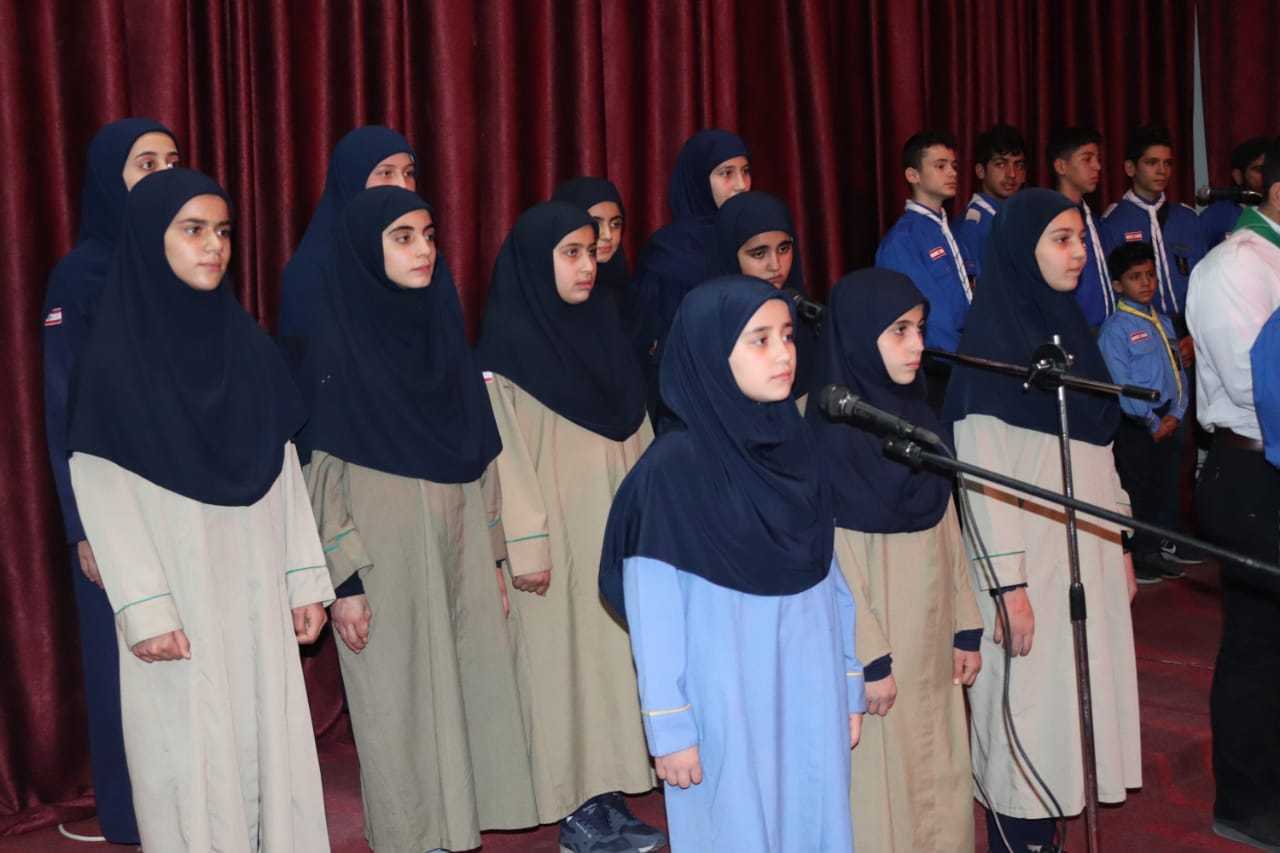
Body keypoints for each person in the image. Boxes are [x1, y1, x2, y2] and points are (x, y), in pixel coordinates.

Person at [65, 168, 333, 851]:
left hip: (257, 582)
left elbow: (283, 471)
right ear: (149, 239)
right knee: (189, 752)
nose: (214, 245)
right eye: (193, 230)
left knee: (268, 747)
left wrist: (304, 579)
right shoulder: (114, 360)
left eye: (222, 231)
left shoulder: (248, 347)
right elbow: (101, 488)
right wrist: (146, 609)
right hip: (178, 594)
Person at [296, 186, 538, 852]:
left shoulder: (441, 330)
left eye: (429, 235)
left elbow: (481, 454)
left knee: (463, 687)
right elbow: (321, 475)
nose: (424, 249)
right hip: (381, 549)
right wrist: (344, 583)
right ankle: (411, 839)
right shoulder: (336, 344)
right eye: (403, 237)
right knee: (396, 700)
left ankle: (453, 834)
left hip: (459, 540)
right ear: (364, 250)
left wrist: (493, 557)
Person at [600, 275, 864, 852]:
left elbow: (829, 575)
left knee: (816, 820)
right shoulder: (671, 471)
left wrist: (849, 682)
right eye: (759, 340)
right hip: (725, 697)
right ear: (709, 351)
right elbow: (653, 614)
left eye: (787, 336)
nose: (784, 354)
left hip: (812, 685)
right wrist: (670, 727)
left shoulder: (797, 446)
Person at [944, 189, 1140, 852]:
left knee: (1072, 708)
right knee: (1027, 712)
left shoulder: (1071, 333)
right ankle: (1020, 838)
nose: (1078, 252)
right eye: (1061, 239)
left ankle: (1050, 832)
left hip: (1086, 555)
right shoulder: (991, 350)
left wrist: (1121, 542)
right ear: (1021, 250)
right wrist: (1009, 586)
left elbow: (1101, 451)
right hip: (1028, 564)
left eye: (1080, 238)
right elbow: (981, 479)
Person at [476, 201, 663, 853]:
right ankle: (574, 807)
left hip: (612, 530)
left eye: (591, 251)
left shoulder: (604, 329)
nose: (588, 265)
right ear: (537, 260)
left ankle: (608, 792)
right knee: (563, 671)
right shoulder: (507, 350)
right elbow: (504, 459)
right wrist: (525, 545)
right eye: (571, 253)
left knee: (610, 665)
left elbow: (638, 432)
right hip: (554, 541)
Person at [808, 268, 983, 852]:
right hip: (879, 640)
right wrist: (869, 658)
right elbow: (835, 565)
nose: (917, 345)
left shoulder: (917, 417)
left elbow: (947, 526)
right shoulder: (828, 435)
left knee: (938, 767)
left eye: (920, 329)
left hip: (931, 632)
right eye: (899, 331)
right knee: (885, 786)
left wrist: (965, 624)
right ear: (860, 336)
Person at [40, 117, 179, 846]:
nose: (163, 174)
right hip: (111, 497)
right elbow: (63, 406)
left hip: (189, 492)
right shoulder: (83, 274)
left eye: (172, 160)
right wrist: (81, 525)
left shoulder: (189, 260)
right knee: (121, 656)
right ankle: (131, 817)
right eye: (144, 163)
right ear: (108, 180)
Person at [1186, 138, 1280, 850]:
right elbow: (1254, 388)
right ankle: (1245, 801)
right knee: (1257, 642)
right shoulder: (1234, 266)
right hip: (1251, 470)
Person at [630, 129, 751, 415]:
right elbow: (646, 340)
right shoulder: (669, 251)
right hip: (684, 404)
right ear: (698, 181)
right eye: (726, 173)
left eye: (745, 172)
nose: (741, 185)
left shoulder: (757, 238)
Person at [1098, 242, 1190, 584]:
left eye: (1150, 275)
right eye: (1135, 277)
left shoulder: (1163, 322)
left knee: (1166, 486)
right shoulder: (1115, 330)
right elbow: (1121, 384)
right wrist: (1152, 421)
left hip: (1169, 416)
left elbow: (1178, 372)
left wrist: (1177, 412)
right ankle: (1141, 555)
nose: (1146, 282)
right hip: (1138, 423)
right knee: (1139, 490)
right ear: (1117, 285)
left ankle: (1160, 546)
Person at [278, 125, 416, 338]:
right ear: (353, 180)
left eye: (409, 173)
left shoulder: (421, 254)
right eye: (387, 173)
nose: (403, 185)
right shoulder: (312, 273)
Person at [876, 130, 969, 410]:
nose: (951, 172)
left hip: (962, 360)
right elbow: (928, 315)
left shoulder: (946, 230)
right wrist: (968, 359)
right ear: (913, 175)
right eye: (940, 166)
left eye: (953, 165)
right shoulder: (903, 240)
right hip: (938, 368)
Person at [706, 190, 818, 402]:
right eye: (759, 253)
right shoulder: (707, 330)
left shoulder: (809, 321)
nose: (775, 265)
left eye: (783, 249)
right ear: (729, 255)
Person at [1102, 125, 1207, 321]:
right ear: (1130, 168)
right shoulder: (1113, 222)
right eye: (1152, 162)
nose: (1162, 171)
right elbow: (1111, 287)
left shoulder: (1186, 218)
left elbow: (1203, 276)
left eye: (1167, 163)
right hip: (1141, 324)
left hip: (1191, 323)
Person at [1047, 126, 1114, 329]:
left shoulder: (1094, 218)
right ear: (1061, 166)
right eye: (1087, 159)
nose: (1097, 167)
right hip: (1074, 332)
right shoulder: (1049, 220)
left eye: (1097, 159)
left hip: (1108, 330)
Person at [955, 123, 1028, 279]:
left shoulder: (1025, 217)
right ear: (980, 171)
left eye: (1019, 165)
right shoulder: (973, 225)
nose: (1012, 174)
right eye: (1000, 164)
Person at [553, 176, 630, 312]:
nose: (607, 235)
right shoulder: (547, 296)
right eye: (595, 224)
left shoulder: (626, 290)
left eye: (615, 224)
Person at [1200, 136, 1269, 249]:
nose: (1267, 176)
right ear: (1238, 176)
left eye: (1271, 170)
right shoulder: (1219, 214)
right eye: (1259, 170)